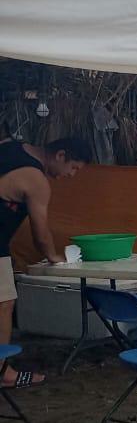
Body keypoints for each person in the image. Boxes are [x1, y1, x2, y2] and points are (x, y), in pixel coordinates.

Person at [0, 137, 92, 387]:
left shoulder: (11, 145)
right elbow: (40, 234)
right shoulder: (36, 180)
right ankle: (3, 373)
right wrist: (54, 258)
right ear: (60, 155)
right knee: (4, 304)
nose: (71, 175)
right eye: (73, 168)